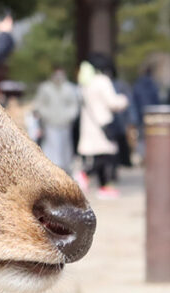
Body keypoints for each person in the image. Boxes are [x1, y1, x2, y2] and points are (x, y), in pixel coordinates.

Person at [76, 53, 128, 199]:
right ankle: (97, 182)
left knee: (100, 156)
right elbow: (113, 102)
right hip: (103, 124)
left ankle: (100, 184)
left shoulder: (86, 83)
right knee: (108, 156)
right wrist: (123, 100)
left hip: (90, 125)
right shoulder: (102, 81)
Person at [34, 67, 80, 172]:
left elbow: (74, 106)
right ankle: (50, 170)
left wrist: (68, 116)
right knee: (51, 149)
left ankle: (64, 170)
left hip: (65, 124)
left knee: (65, 149)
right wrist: (47, 115)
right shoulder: (45, 88)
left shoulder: (69, 88)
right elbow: (40, 105)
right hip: (50, 124)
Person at [131, 65, 161, 162]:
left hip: (140, 114)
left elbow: (134, 102)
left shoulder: (137, 85)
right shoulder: (154, 85)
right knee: (152, 135)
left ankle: (142, 156)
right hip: (152, 114)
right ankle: (152, 155)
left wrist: (134, 117)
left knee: (141, 136)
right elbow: (157, 101)